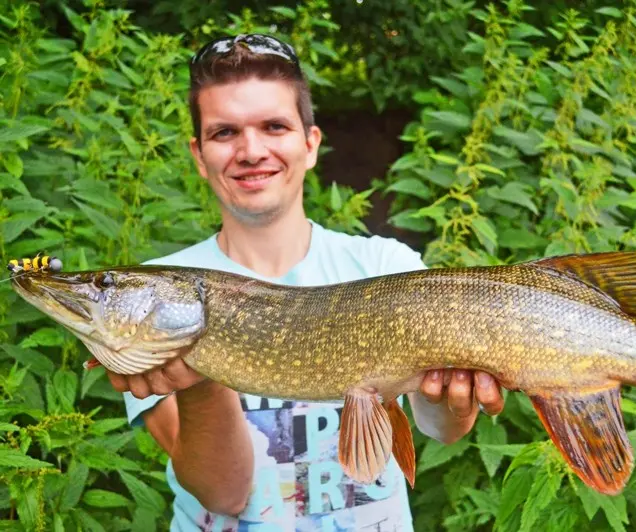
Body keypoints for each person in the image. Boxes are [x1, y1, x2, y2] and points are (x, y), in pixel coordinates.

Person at [108, 34, 505, 531]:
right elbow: (224, 493)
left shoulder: (385, 265)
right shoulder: (156, 296)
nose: (251, 151)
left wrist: (453, 398)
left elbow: (441, 428)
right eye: (225, 132)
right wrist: (199, 379)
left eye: (274, 126)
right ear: (198, 153)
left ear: (310, 143)